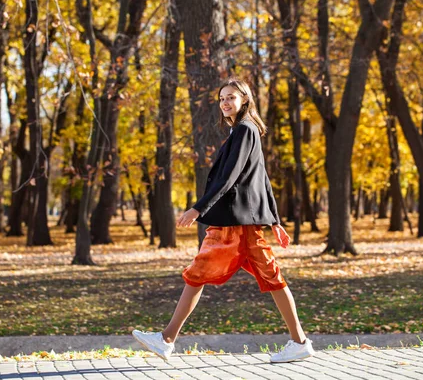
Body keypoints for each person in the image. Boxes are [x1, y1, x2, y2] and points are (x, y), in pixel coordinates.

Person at [132, 77, 315, 363]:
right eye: (222, 98)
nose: (225, 102)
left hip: (234, 225)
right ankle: (299, 341)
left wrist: (198, 209)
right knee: (270, 278)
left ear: (245, 99)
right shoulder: (243, 131)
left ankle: (166, 339)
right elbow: (262, 178)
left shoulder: (244, 130)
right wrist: (275, 220)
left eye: (231, 97)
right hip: (243, 223)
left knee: (199, 273)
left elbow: (230, 177)